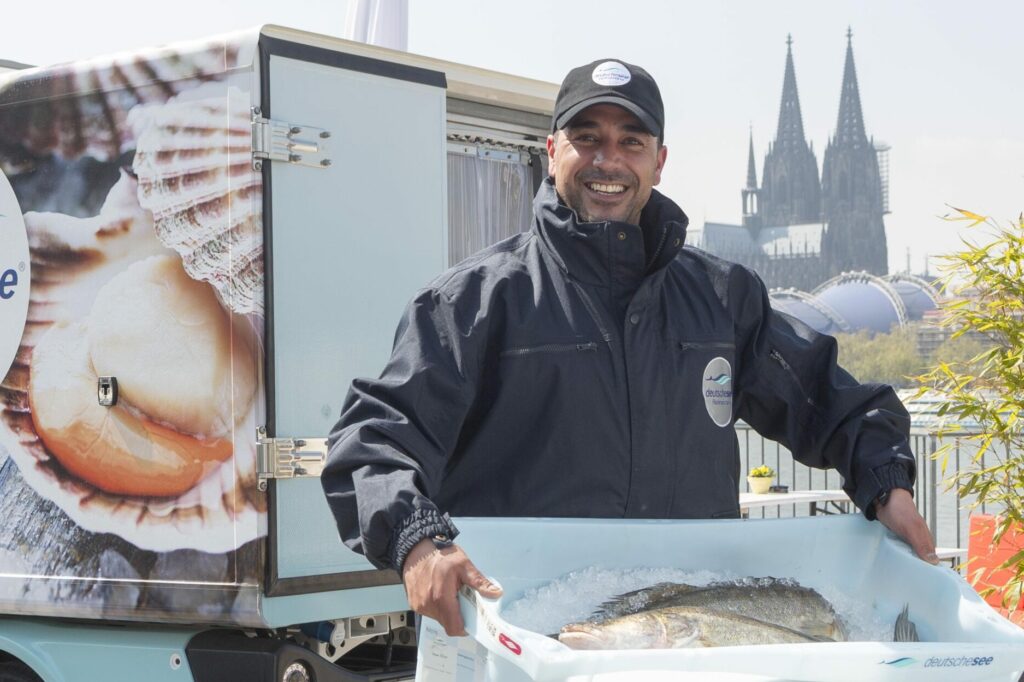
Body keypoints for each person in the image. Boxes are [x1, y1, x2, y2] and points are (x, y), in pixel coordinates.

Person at [322, 58, 938, 637]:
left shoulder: (724, 298)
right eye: (587, 138)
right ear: (552, 151)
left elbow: (830, 401)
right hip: (522, 634)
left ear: (659, 161)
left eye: (631, 142)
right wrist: (416, 540)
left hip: (688, 638)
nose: (607, 160)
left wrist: (887, 483)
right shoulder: (473, 302)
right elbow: (375, 439)